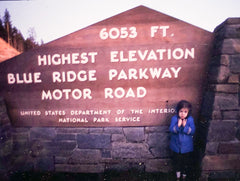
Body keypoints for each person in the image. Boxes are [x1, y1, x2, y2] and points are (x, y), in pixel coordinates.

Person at [169, 100, 196, 180]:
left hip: (186, 147)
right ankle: (178, 176)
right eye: (181, 111)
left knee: (186, 162)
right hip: (176, 146)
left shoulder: (190, 119)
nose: (183, 114)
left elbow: (192, 131)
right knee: (177, 161)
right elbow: (171, 130)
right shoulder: (174, 118)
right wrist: (178, 125)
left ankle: (184, 176)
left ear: (188, 112)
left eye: (185, 112)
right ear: (178, 111)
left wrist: (185, 126)